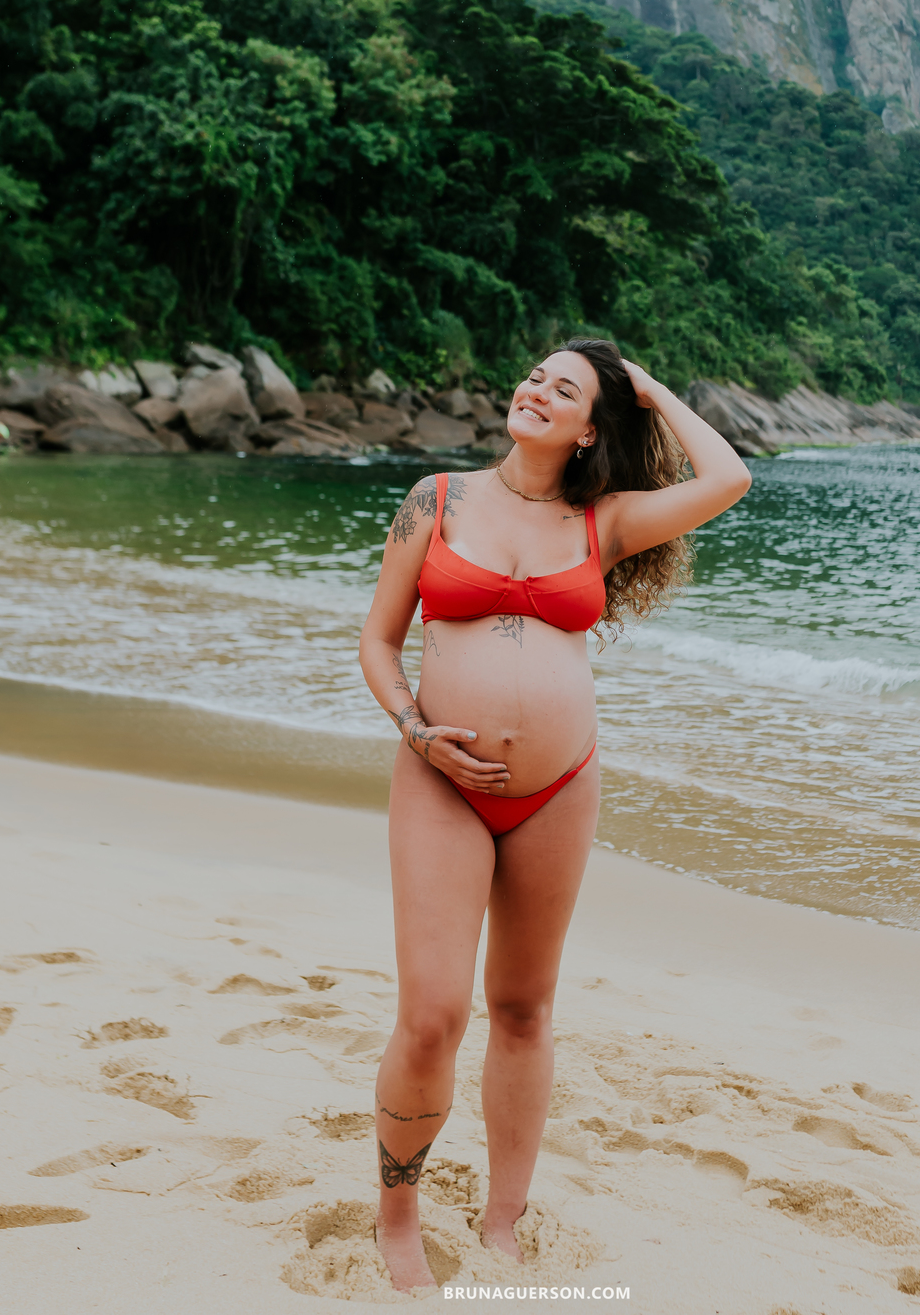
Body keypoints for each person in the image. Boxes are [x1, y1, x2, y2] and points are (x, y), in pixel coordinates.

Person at [358, 337, 751, 1289]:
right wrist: (416, 729)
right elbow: (378, 639)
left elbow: (729, 476)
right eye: (533, 372)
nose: (535, 388)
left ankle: (504, 1216)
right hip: (442, 779)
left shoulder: (605, 521)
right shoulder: (436, 499)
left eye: (564, 388)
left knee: (525, 1008)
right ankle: (399, 1214)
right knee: (431, 1015)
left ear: (588, 431)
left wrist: (646, 388)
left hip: (560, 786)